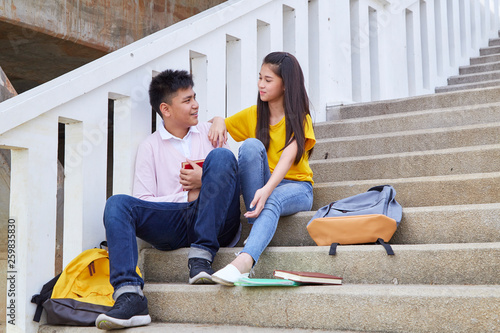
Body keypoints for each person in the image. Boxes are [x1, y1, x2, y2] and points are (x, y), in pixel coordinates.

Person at [95, 69, 241, 330]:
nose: (196, 104)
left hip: (217, 223)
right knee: (117, 203)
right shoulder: (150, 147)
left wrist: (205, 181)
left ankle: (201, 257)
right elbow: (145, 199)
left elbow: (230, 177)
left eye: (194, 97)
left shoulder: (210, 131)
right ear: (166, 109)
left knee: (221, 157)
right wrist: (189, 192)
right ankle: (130, 296)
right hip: (176, 222)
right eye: (187, 100)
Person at [208, 51, 315, 286]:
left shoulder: (300, 118)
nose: (261, 85)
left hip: (297, 188)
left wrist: (266, 190)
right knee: (250, 145)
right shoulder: (254, 115)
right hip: (263, 187)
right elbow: (220, 125)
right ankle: (260, 226)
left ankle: (244, 262)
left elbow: (288, 157)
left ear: (285, 85)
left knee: (273, 198)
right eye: (260, 78)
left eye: (268, 80)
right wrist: (217, 119)